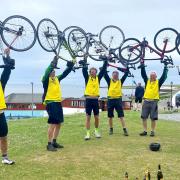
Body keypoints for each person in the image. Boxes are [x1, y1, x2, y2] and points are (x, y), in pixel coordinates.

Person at [42, 57, 74, 151]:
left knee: (59, 123)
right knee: (52, 124)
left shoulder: (57, 79)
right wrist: (52, 63)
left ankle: (54, 141)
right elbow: (47, 71)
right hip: (50, 103)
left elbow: (64, 74)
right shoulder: (45, 80)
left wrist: (70, 66)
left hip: (58, 102)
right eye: (52, 71)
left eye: (54, 71)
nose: (53, 72)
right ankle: (49, 144)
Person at [139, 62, 168, 137]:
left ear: (156, 76)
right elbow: (143, 75)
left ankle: (152, 131)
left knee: (153, 118)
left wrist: (165, 67)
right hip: (146, 101)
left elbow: (164, 77)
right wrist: (142, 66)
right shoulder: (147, 81)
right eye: (151, 76)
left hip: (154, 102)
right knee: (144, 117)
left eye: (153, 76)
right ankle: (145, 131)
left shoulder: (158, 82)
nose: (152, 77)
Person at [82, 60, 107, 140]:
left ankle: (96, 131)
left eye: (94, 72)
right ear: (89, 73)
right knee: (88, 117)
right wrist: (84, 64)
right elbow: (84, 71)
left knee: (96, 117)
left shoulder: (98, 78)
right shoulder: (87, 78)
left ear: (96, 73)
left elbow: (103, 70)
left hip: (96, 100)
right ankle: (88, 134)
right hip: (88, 100)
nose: (92, 73)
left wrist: (105, 61)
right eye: (91, 72)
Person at [0, 48, 15, 164]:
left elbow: (8, 69)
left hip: (0, 114)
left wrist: (7, 55)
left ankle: (5, 158)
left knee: (4, 136)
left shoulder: (1, 83)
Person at [104, 68, 129, 136]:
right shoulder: (109, 81)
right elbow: (105, 74)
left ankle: (124, 129)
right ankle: (111, 129)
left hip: (118, 100)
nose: (115, 76)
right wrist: (105, 64)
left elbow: (126, 74)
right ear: (112, 75)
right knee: (110, 116)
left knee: (121, 116)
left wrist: (127, 69)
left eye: (116, 75)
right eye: (114, 75)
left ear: (118, 76)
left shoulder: (120, 81)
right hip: (110, 99)